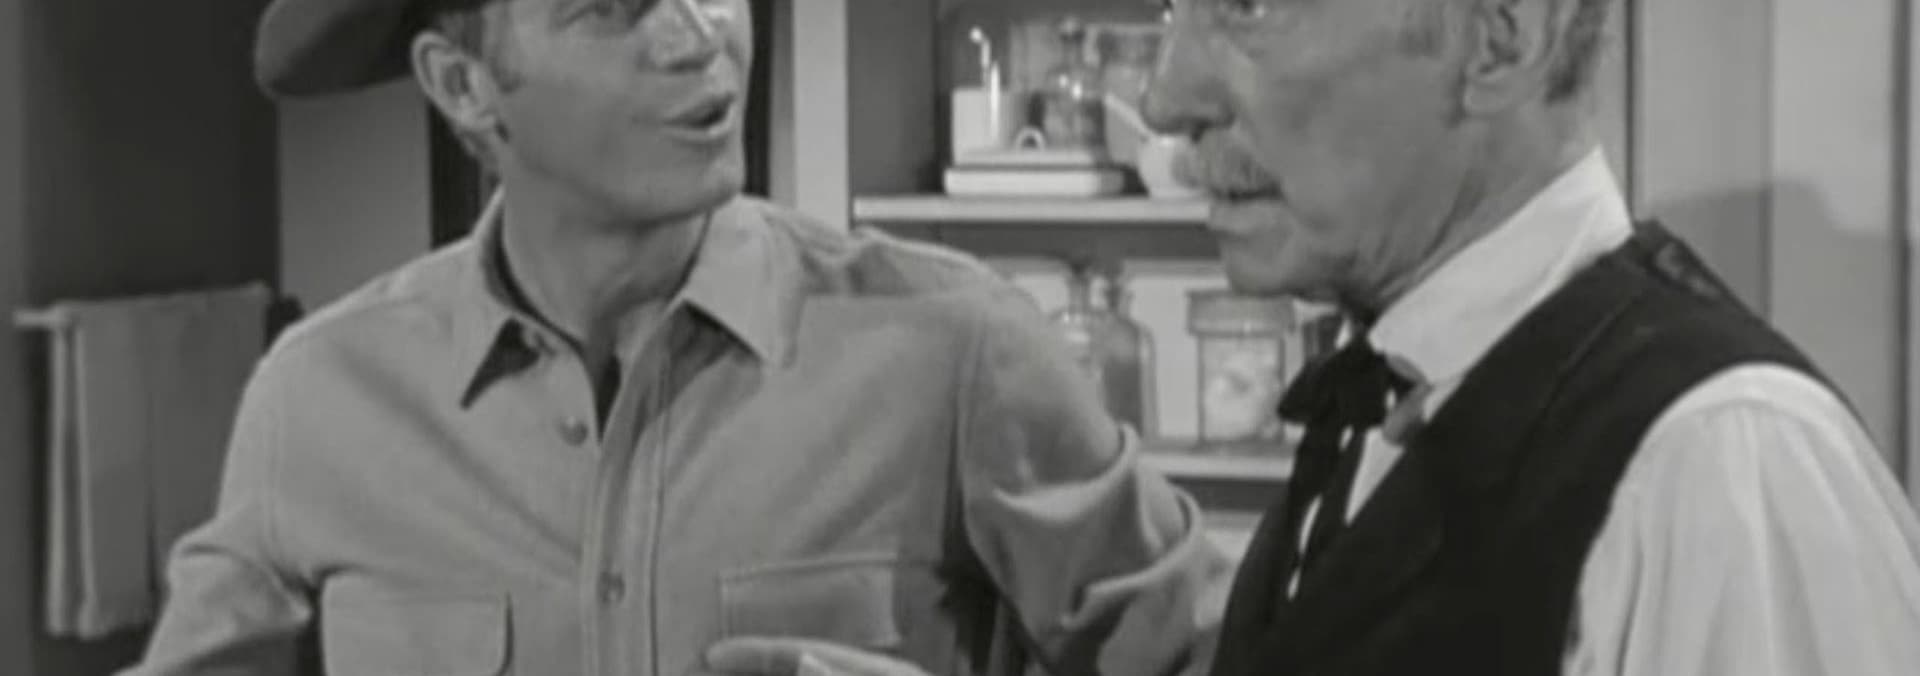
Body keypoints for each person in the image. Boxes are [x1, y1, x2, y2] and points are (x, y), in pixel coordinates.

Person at [707, 0, 1920, 674]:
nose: (1167, 101)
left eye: (1249, 8)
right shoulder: (1383, 402)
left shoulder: (1723, 468)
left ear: (1500, 37)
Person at [121, 0, 1232, 674]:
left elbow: (1231, 660)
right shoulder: (318, 401)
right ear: (464, 86)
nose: (700, 34)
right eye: (611, 8)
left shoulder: (952, 346)